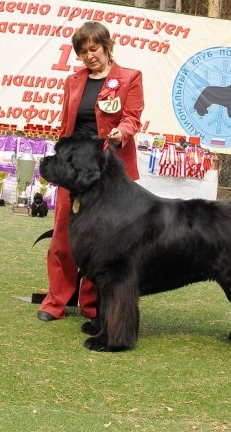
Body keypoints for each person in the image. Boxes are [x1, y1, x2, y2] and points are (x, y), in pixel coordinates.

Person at [38, 21, 144, 321]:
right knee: (63, 236)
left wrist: (121, 133)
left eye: (94, 49)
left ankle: (92, 304)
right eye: (82, 52)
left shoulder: (129, 78)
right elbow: (66, 124)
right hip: (73, 170)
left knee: (106, 241)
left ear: (107, 46)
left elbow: (132, 118)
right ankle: (55, 301)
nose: (89, 56)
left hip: (108, 173)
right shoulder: (73, 81)